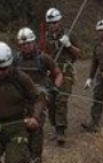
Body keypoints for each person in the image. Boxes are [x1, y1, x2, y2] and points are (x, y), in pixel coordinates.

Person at [15, 27, 63, 163]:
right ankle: (25, 159)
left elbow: (58, 74)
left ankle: (36, 161)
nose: (26, 46)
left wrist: (55, 87)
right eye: (23, 44)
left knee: (35, 128)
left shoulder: (44, 58)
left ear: (34, 42)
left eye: (29, 43)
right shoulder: (16, 60)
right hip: (20, 99)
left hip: (39, 99)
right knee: (20, 128)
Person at [44, 7, 82, 146]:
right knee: (51, 100)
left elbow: (80, 53)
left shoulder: (69, 34)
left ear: (59, 22)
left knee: (61, 99)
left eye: (55, 22)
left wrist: (69, 45)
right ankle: (55, 127)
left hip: (66, 71)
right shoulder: (47, 37)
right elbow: (45, 54)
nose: (52, 25)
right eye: (50, 23)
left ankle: (61, 131)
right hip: (52, 72)